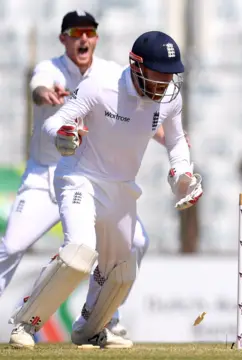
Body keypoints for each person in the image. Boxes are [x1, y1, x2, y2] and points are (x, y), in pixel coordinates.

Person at [8, 30, 203, 349]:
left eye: (170, 75)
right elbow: (53, 123)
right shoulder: (101, 85)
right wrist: (64, 135)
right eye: (159, 74)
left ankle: (92, 327)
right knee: (79, 253)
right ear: (137, 66)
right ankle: (24, 324)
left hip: (122, 187)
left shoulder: (170, 99)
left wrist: (182, 175)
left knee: (132, 251)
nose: (165, 82)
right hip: (80, 178)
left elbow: (177, 140)